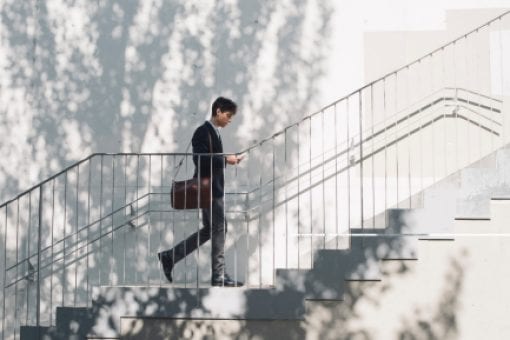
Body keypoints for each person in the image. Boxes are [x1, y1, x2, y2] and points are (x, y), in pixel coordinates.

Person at [158, 96, 244, 287]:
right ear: (218, 111)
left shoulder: (214, 133)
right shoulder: (202, 132)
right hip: (210, 190)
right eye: (228, 115)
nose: (230, 120)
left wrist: (228, 159)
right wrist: (225, 159)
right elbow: (200, 160)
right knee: (220, 228)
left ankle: (170, 256)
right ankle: (218, 275)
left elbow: (210, 159)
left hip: (213, 189)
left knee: (210, 230)